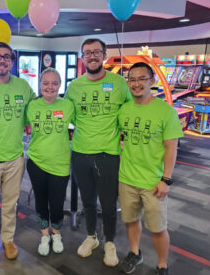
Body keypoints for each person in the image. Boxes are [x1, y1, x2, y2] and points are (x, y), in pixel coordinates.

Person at [65, 38, 131, 267]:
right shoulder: (74, 87)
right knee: (88, 201)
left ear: (104, 55)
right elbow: (67, 115)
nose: (92, 56)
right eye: (87, 53)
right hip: (81, 153)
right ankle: (91, 236)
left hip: (109, 154)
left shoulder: (120, 83)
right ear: (83, 57)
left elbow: (131, 110)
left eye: (96, 52)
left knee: (108, 203)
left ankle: (110, 242)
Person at [118, 62, 183, 275]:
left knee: (157, 228)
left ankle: (162, 265)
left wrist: (166, 179)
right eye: (132, 79)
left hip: (154, 182)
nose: (137, 84)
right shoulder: (125, 109)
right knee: (131, 220)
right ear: (128, 82)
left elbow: (171, 148)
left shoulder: (166, 112)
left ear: (152, 81)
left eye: (142, 79)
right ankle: (135, 253)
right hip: (127, 178)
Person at [0, 42, 35, 261]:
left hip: (15, 157)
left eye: (6, 57)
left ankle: (8, 239)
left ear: (12, 61)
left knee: (11, 203)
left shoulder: (23, 86)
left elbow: (37, 108)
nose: (2, 60)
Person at [26, 67, 74, 256]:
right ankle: (45, 235)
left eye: (54, 83)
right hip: (36, 162)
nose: (50, 87)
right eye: (45, 83)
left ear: (60, 85)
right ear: (40, 84)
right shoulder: (31, 106)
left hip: (60, 163)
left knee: (56, 203)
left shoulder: (68, 106)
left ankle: (57, 234)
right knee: (41, 200)